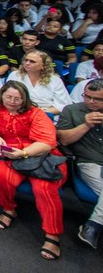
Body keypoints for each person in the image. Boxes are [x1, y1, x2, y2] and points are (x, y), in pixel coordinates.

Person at [0, 81, 67, 260]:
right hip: (9, 152)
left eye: (17, 99)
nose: (12, 101)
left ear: (24, 99)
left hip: (39, 155)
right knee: (0, 177)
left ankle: (52, 235)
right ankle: (9, 209)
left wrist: (24, 152)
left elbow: (48, 142)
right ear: (2, 95)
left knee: (45, 189)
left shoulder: (36, 113)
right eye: (8, 97)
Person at [56, 78, 103, 249]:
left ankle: (94, 225)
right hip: (88, 161)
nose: (91, 102)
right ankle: (94, 225)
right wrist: (86, 125)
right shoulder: (72, 111)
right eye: (87, 96)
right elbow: (64, 140)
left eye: (97, 99)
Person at [5, 50, 72, 115]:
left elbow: (63, 105)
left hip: (45, 114)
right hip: (17, 112)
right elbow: (5, 98)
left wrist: (38, 112)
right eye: (26, 60)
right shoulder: (14, 75)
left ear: (43, 65)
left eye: (32, 61)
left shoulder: (55, 80)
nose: (27, 63)